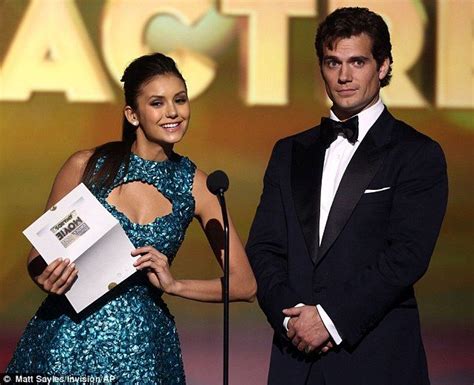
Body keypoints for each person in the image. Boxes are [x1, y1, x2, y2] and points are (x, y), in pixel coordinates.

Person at [7, 52, 256, 383]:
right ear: (133, 114)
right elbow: (38, 256)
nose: (173, 112)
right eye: (157, 102)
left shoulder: (200, 186)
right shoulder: (87, 167)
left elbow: (245, 284)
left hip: (144, 351)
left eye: (180, 100)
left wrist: (175, 284)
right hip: (65, 343)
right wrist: (45, 275)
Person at [247, 7, 448, 385]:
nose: (343, 76)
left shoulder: (417, 153)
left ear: (384, 66)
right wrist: (292, 319)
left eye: (357, 61)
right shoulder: (289, 152)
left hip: (375, 359)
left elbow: (406, 256)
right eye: (332, 62)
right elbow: (264, 248)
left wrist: (329, 319)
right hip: (295, 361)